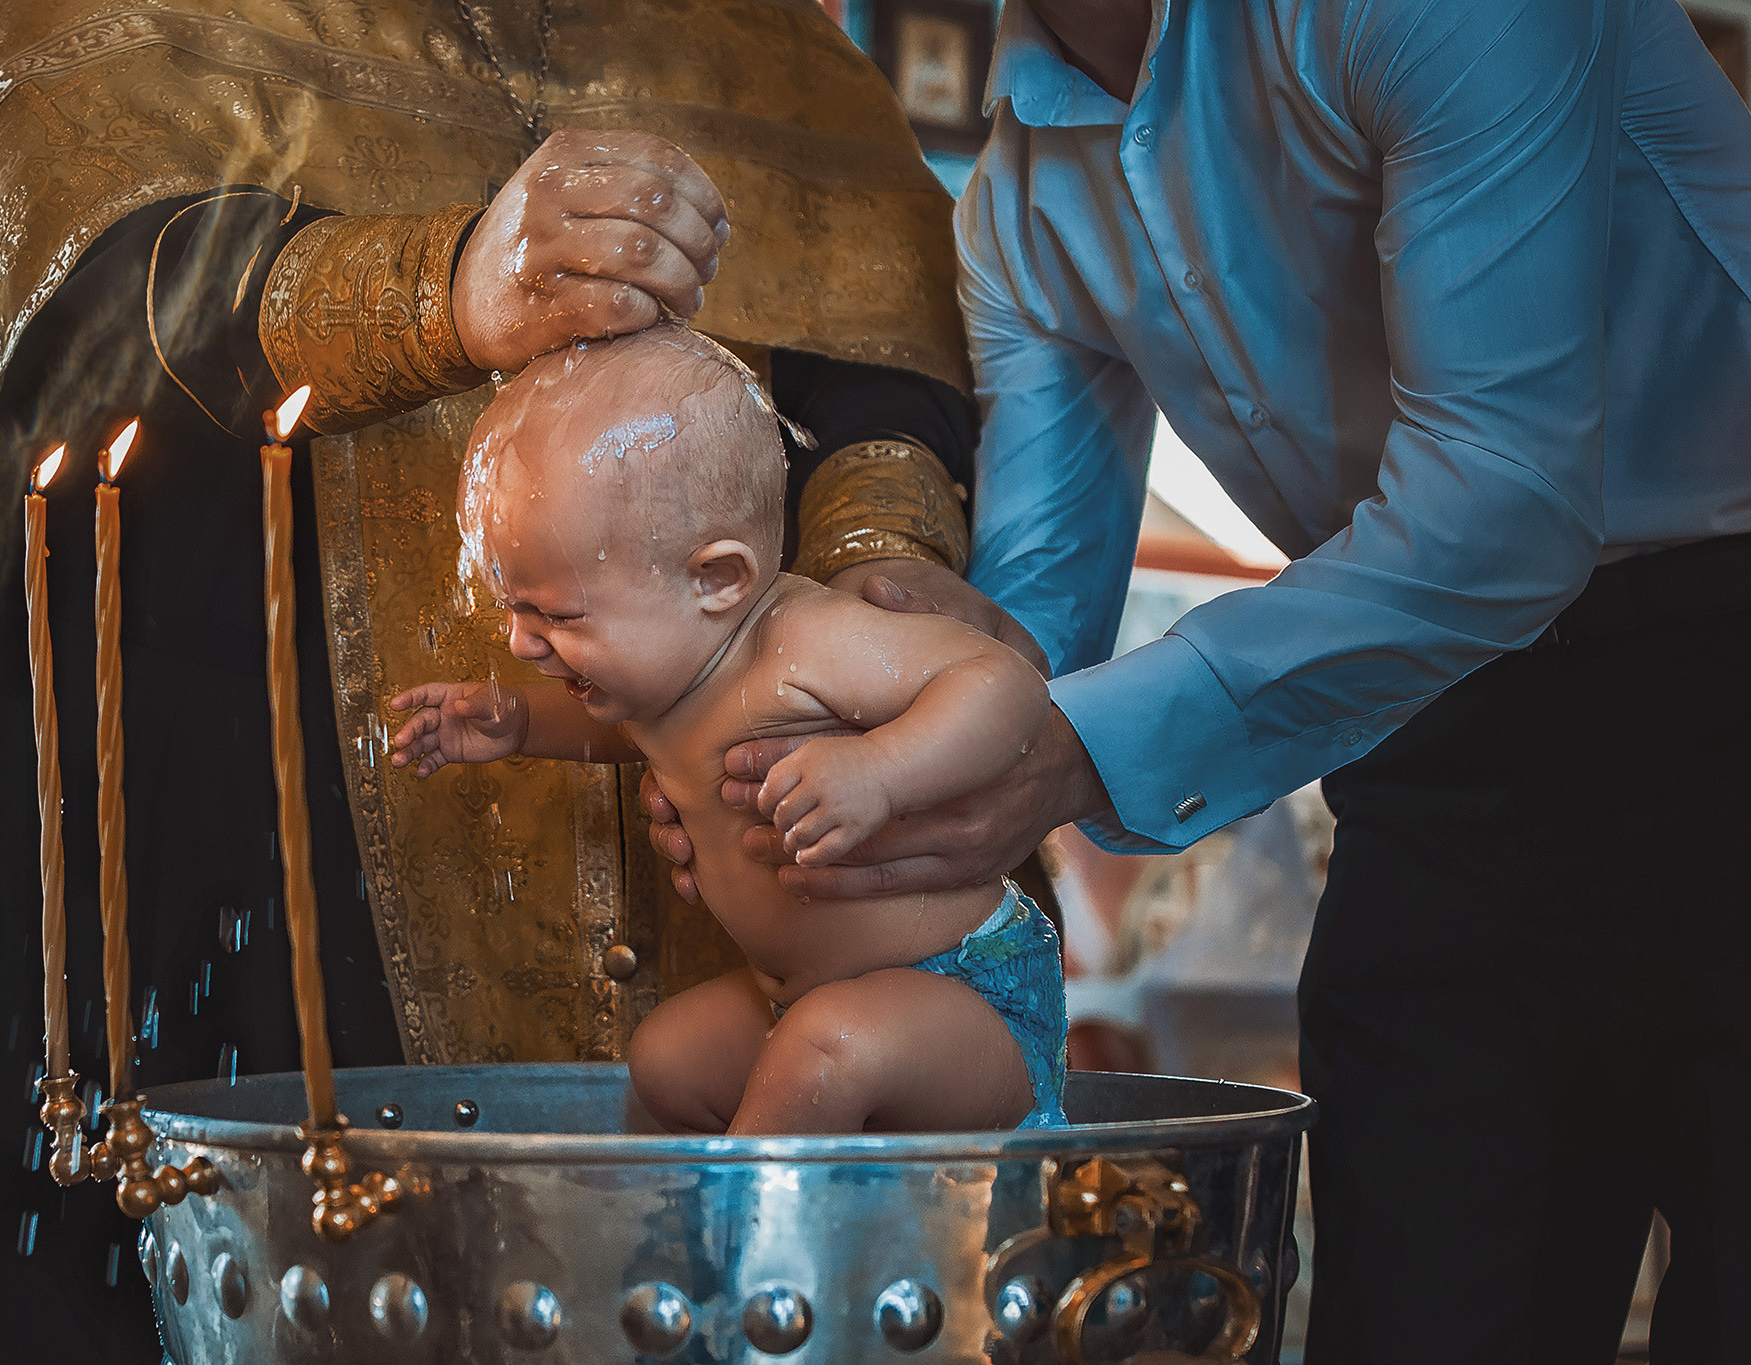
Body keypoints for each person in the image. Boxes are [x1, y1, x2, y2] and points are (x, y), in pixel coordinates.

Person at [0, 2, 1022, 1360]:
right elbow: (71, 306)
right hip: (261, 832)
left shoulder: (776, 44)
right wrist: (440, 288)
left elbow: (879, 375)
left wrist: (864, 584)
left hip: (758, 857)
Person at [655, 0, 1749, 1360]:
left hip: (1723, 659)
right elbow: (1024, 642)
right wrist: (772, 758)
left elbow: (1510, 504)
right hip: (1439, 724)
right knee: (1419, 1309)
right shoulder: (1020, 201)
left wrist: (1053, 745)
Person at [390, 326, 1064, 1134]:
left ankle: (737, 1249)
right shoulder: (671, 670)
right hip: (805, 997)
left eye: (555, 615)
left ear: (717, 578)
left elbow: (1005, 686)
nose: (520, 642)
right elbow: (624, 726)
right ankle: (713, 1228)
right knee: (666, 1057)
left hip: (964, 994)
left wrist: (882, 771)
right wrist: (520, 719)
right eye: (513, 608)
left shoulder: (804, 641)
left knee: (821, 1052)